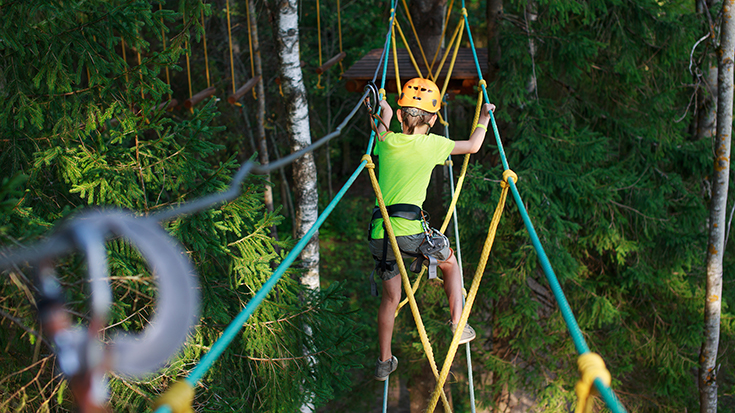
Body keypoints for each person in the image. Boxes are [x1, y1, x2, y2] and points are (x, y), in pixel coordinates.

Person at [369, 78, 496, 381]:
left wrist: (383, 112)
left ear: (401, 116)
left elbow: (383, 128)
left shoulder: (385, 142)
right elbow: (474, 146)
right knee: (450, 263)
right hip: (411, 234)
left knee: (390, 298)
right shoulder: (434, 145)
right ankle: (458, 325)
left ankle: (384, 361)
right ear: (435, 119)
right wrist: (483, 117)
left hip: (379, 237)